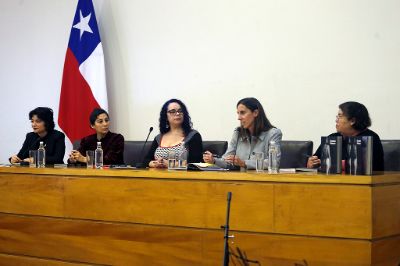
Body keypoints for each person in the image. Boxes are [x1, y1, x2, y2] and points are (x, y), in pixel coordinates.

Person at [203, 97, 282, 170]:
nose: (239, 117)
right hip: (241, 180)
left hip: (262, 181)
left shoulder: (273, 134)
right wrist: (214, 161)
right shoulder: (238, 133)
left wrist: (243, 163)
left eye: (242, 113)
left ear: (255, 113)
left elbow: (273, 163)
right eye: (238, 113)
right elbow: (227, 160)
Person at [307, 101, 384, 171]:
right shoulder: (333, 138)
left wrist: (330, 163)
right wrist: (312, 164)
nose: (336, 120)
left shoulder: (370, 138)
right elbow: (316, 160)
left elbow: (359, 165)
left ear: (352, 121)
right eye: (337, 116)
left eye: (340, 116)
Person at [144, 99, 203, 168]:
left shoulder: (193, 136)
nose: (177, 113)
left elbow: (195, 165)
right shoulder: (159, 138)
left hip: (183, 177)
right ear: (165, 116)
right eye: (172, 111)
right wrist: (155, 163)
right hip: (158, 176)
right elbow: (146, 161)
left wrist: (170, 164)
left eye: (180, 111)